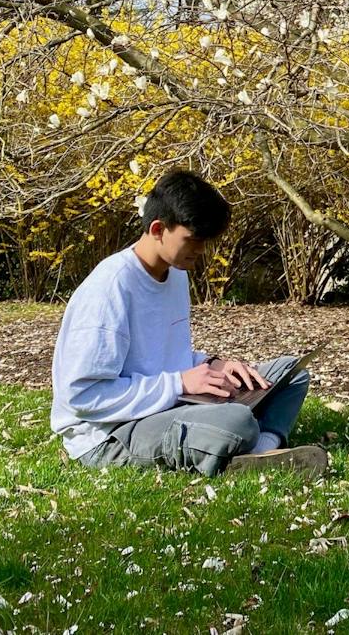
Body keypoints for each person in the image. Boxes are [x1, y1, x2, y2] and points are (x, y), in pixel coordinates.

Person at [50, 169, 327, 478]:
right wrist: (179, 384)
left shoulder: (175, 273)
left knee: (290, 374)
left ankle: (262, 448)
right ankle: (243, 441)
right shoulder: (110, 287)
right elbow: (84, 397)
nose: (201, 251)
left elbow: (162, 356)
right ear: (158, 229)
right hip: (109, 434)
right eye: (193, 240)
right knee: (237, 422)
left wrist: (213, 365)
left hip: (167, 404)